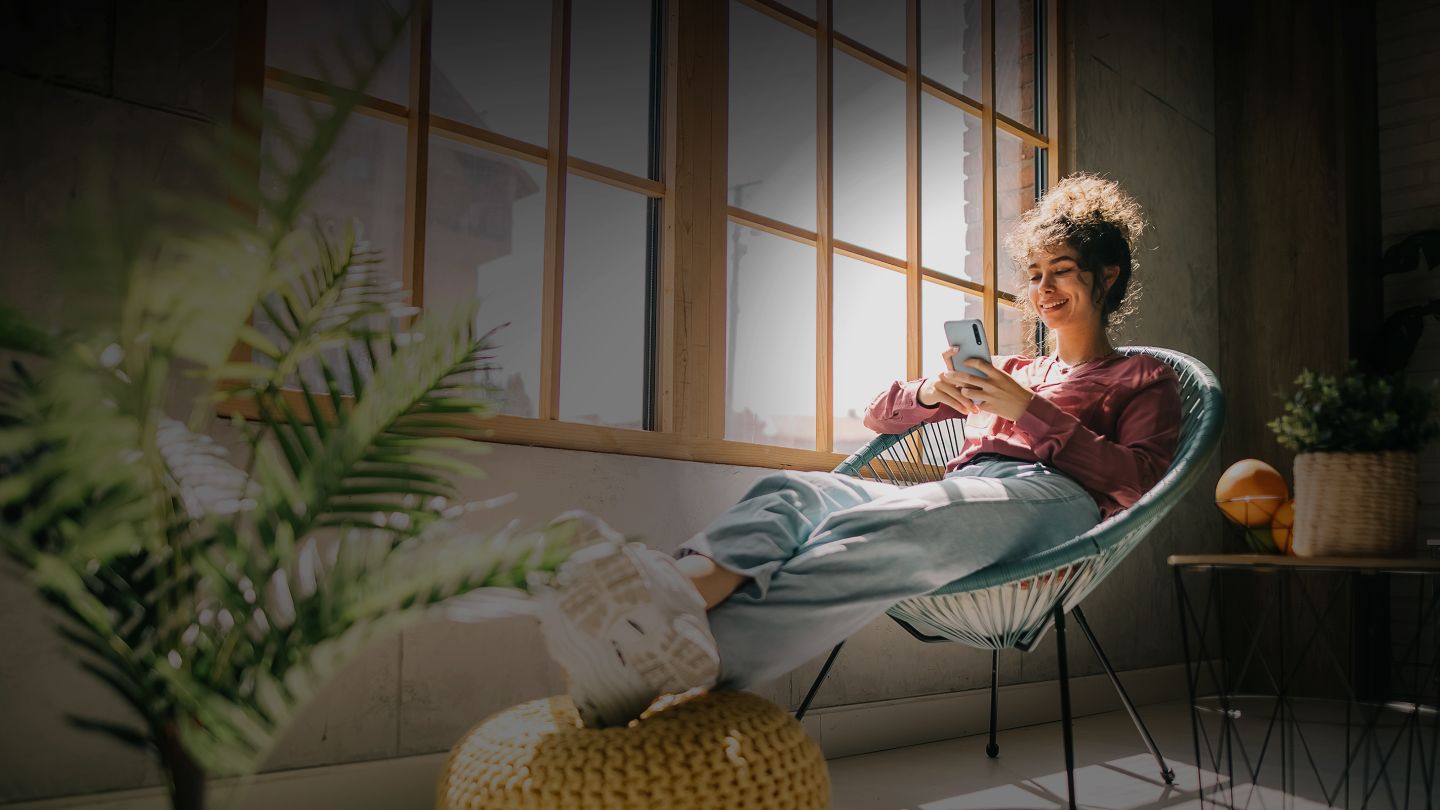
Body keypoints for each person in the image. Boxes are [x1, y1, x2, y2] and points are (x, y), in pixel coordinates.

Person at [529, 174, 1182, 729]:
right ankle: (673, 599)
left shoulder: (1142, 377)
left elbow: (1139, 483)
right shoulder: (1012, 366)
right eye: (1035, 275)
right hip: (971, 488)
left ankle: (674, 653)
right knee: (801, 492)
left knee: (895, 522)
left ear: (1107, 274)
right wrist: (935, 389)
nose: (1042, 290)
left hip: (1053, 502)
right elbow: (877, 412)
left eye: (1061, 272)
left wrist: (1026, 411)